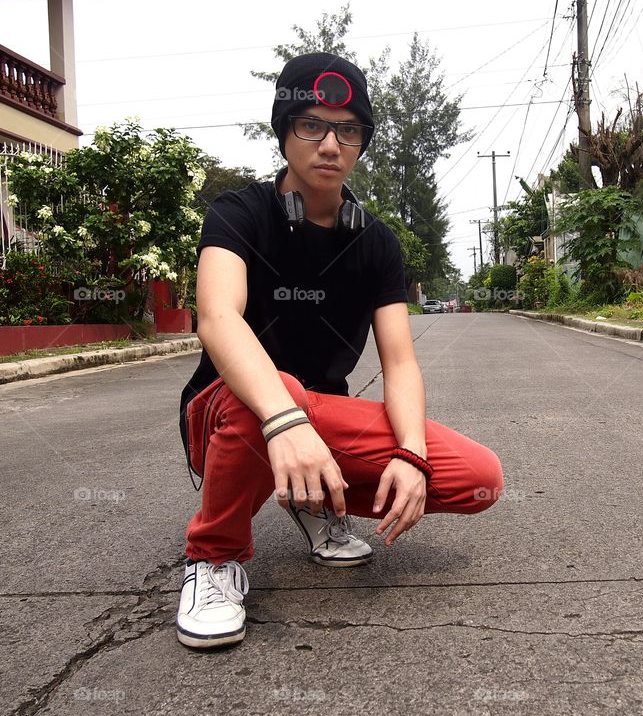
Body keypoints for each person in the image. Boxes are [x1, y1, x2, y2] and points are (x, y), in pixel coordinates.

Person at [175, 52, 503, 649]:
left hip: (318, 417)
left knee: (475, 478)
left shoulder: (376, 242)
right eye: (312, 125)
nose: (330, 144)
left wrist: (411, 455)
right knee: (282, 390)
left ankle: (311, 496)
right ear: (284, 132)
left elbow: (399, 361)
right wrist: (284, 418)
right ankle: (214, 558)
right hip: (232, 415)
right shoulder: (238, 214)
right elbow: (218, 319)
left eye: (348, 129)